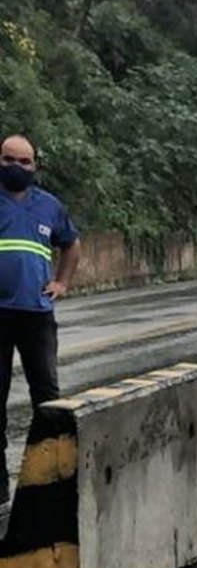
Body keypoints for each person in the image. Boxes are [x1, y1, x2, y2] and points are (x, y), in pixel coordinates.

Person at [0, 134, 81, 505]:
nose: (16, 167)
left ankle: (50, 479)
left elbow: (72, 244)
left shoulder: (49, 206)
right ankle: (0, 488)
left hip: (37, 316)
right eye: (8, 159)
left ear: (35, 166)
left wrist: (62, 282)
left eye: (24, 161)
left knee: (47, 399)